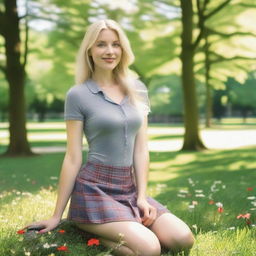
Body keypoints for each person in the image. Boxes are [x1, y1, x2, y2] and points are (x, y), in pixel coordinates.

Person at [24, 19, 194, 256]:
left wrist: (142, 197)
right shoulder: (78, 94)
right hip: (94, 190)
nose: (110, 51)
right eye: (101, 44)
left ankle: (118, 229)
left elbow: (141, 149)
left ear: (123, 49)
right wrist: (56, 215)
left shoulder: (138, 89)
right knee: (150, 249)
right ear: (90, 51)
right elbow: (73, 157)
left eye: (116, 44)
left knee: (182, 239)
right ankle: (87, 227)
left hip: (129, 188)